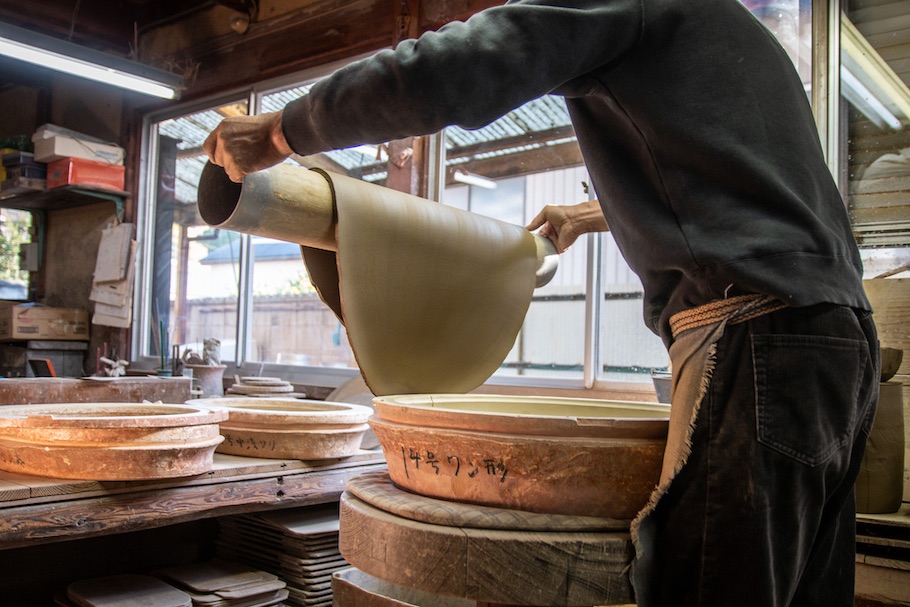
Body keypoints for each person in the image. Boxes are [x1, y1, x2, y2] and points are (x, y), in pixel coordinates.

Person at [203, 1, 879, 605]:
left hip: (751, 337)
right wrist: (592, 212)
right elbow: (739, 186)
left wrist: (280, 134)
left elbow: (463, 64)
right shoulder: (734, 28)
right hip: (836, 342)